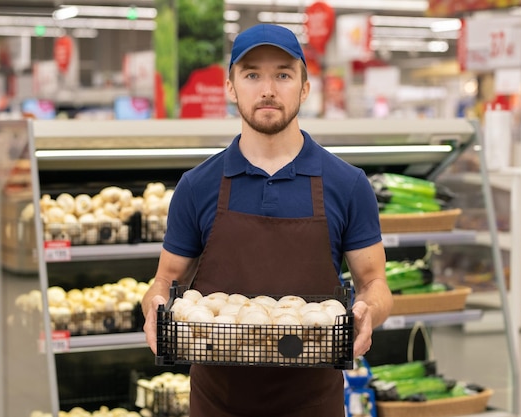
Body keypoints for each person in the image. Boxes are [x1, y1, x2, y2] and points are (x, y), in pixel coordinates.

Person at [142, 23, 393, 417]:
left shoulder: (348, 184)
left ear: (305, 88)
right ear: (230, 87)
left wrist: (367, 312)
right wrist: (154, 307)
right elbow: (165, 281)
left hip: (313, 403)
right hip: (217, 403)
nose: (268, 89)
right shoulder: (197, 186)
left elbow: (375, 283)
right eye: (252, 74)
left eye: (283, 74)